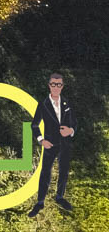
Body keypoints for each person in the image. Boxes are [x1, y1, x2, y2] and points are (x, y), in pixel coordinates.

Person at [29, 72, 77, 215]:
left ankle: (60, 196)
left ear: (62, 86)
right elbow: (34, 125)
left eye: (59, 84)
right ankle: (40, 202)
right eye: (53, 84)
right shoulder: (43, 104)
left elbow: (75, 122)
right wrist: (41, 140)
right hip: (50, 144)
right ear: (49, 86)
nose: (56, 87)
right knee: (45, 172)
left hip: (65, 144)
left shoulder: (67, 103)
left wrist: (71, 130)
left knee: (63, 170)